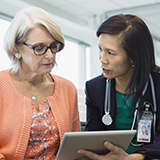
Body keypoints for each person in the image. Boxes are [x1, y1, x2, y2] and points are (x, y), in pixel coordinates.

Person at [0, 6, 80, 160]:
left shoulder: (67, 89)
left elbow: (74, 147)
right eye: (39, 48)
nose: (50, 56)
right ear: (16, 49)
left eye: (53, 46)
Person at [77, 14, 160, 160]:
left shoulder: (157, 85)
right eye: (100, 49)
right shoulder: (94, 88)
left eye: (110, 53)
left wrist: (137, 157)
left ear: (134, 56)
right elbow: (93, 138)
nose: (102, 59)